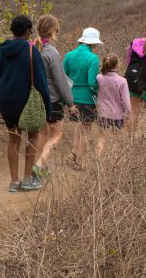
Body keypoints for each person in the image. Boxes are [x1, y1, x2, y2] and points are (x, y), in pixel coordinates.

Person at [0, 15, 51, 191]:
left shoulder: (1, 50)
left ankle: (14, 182)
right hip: (27, 103)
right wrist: (47, 107)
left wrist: (1, 98)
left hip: (7, 101)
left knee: (13, 140)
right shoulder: (32, 51)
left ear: (12, 30)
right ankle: (27, 179)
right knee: (32, 137)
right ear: (27, 31)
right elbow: (41, 82)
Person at [31, 15, 75, 180]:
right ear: (54, 31)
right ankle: (40, 165)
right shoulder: (51, 52)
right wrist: (70, 102)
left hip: (35, 98)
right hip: (52, 100)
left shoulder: (32, 48)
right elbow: (60, 80)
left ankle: (37, 165)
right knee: (58, 134)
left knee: (43, 133)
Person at [63, 27, 101, 167]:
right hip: (87, 98)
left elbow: (64, 79)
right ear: (93, 43)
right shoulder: (93, 58)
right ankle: (79, 162)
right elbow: (92, 82)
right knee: (87, 129)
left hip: (71, 98)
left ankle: (73, 153)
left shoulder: (69, 55)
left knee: (80, 126)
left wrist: (64, 99)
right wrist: (99, 92)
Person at [95, 55, 130, 157]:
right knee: (115, 138)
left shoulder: (99, 78)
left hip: (102, 112)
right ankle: (114, 163)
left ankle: (97, 159)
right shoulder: (122, 81)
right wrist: (128, 116)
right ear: (117, 65)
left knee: (102, 137)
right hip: (117, 114)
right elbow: (126, 101)